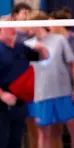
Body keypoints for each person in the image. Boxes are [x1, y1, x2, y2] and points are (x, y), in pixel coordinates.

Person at [26, 12, 74, 148]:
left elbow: (73, 64)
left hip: (63, 93)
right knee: (44, 133)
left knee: (70, 129)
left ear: (38, 24)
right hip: (41, 95)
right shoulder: (28, 44)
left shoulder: (59, 40)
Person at [0, 15, 48, 148]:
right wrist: (3, 95)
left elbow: (44, 59)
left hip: (19, 103)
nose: (13, 29)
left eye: (13, 26)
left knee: (16, 141)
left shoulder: (21, 47)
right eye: (9, 27)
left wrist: (42, 49)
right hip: (2, 104)